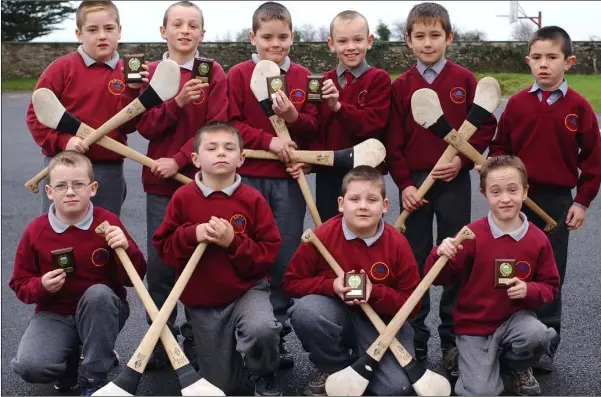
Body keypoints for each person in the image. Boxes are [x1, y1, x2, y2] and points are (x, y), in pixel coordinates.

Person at [383, 1, 497, 375]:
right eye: (420, 36)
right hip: (417, 184)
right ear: (408, 40)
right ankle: (414, 342)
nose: (428, 43)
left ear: (448, 37)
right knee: (414, 261)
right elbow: (393, 141)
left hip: (453, 182)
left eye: (435, 35)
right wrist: (403, 184)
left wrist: (462, 161)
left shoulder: (465, 80)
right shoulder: (401, 86)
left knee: (454, 256)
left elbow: (484, 128)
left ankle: (451, 342)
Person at [488, 26, 601, 372]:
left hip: (555, 204)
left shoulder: (579, 108)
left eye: (552, 58)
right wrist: (502, 180)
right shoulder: (517, 104)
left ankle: (545, 346)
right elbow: (499, 149)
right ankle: (506, 341)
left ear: (568, 61)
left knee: (549, 274)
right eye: (536, 58)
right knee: (507, 268)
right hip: (517, 201)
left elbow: (593, 161)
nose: (543, 65)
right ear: (528, 61)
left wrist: (580, 201)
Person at [152, 121, 283, 396]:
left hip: (247, 290)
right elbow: (163, 248)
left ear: (241, 158)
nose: (221, 153)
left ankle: (263, 370)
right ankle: (222, 356)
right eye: (212, 148)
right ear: (196, 159)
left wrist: (233, 242)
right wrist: (192, 234)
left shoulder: (253, 199)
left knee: (262, 329)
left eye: (229, 148)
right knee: (223, 386)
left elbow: (268, 253)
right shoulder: (182, 198)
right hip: (203, 301)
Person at [135, 0, 228, 370]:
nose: (185, 31)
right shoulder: (151, 72)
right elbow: (145, 126)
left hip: (203, 183)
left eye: (193, 25)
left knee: (200, 260)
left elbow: (218, 127)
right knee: (160, 265)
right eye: (177, 24)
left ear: (203, 34)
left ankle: (196, 334)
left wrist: (178, 159)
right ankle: (159, 335)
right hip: (161, 186)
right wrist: (176, 102)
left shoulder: (213, 71)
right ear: (164, 31)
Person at [227, 1, 320, 370]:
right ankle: (242, 334)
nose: (275, 43)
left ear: (292, 37)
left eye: (283, 37)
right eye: (267, 37)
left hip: (288, 182)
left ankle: (276, 335)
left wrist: (292, 117)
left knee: (282, 257)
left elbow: (313, 126)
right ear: (253, 37)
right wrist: (269, 142)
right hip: (246, 181)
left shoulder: (304, 76)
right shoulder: (237, 75)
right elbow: (230, 123)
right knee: (244, 254)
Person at [9, 151, 147, 396]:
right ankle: (71, 360)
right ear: (49, 192)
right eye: (61, 186)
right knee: (30, 367)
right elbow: (19, 283)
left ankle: (94, 376)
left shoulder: (108, 222)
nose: (70, 192)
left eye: (78, 184)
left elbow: (134, 277)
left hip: (102, 312)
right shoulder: (36, 230)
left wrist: (125, 248)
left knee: (98, 295)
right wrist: (41, 285)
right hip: (55, 313)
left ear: (92, 188)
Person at [425, 155, 559, 396]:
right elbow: (437, 278)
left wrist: (529, 290)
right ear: (484, 194)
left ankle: (516, 365)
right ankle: (474, 361)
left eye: (512, 190)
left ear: (525, 191)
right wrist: (440, 254)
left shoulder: (538, 239)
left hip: (514, 320)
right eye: (495, 192)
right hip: (475, 326)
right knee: (482, 392)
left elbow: (550, 286)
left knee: (539, 335)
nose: (505, 198)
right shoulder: (471, 235)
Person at [282, 165, 421, 396]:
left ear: (385, 206)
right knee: (307, 311)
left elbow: (413, 304)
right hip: (338, 314)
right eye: (354, 199)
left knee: (396, 388)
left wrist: (375, 293)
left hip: (382, 322)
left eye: (372, 199)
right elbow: (291, 282)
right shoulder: (322, 236)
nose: (363, 206)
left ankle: (363, 359)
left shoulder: (397, 243)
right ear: (341, 203)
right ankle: (334, 367)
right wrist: (331, 286)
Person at [25, 0, 145, 217]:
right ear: (79, 34)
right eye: (92, 29)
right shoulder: (61, 68)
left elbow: (128, 126)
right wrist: (64, 142)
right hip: (64, 165)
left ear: (119, 31)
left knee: (105, 231)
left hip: (108, 169)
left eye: (109, 28)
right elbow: (36, 116)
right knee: (59, 230)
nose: (102, 35)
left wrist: (132, 91)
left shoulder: (127, 73)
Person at [312, 10, 391, 222]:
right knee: (329, 231)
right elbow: (316, 128)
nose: (350, 47)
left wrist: (338, 106)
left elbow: (372, 125)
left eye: (357, 40)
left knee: (366, 229)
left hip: (365, 172)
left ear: (369, 40)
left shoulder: (379, 79)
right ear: (331, 44)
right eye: (342, 41)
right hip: (329, 173)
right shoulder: (321, 82)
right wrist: (309, 159)